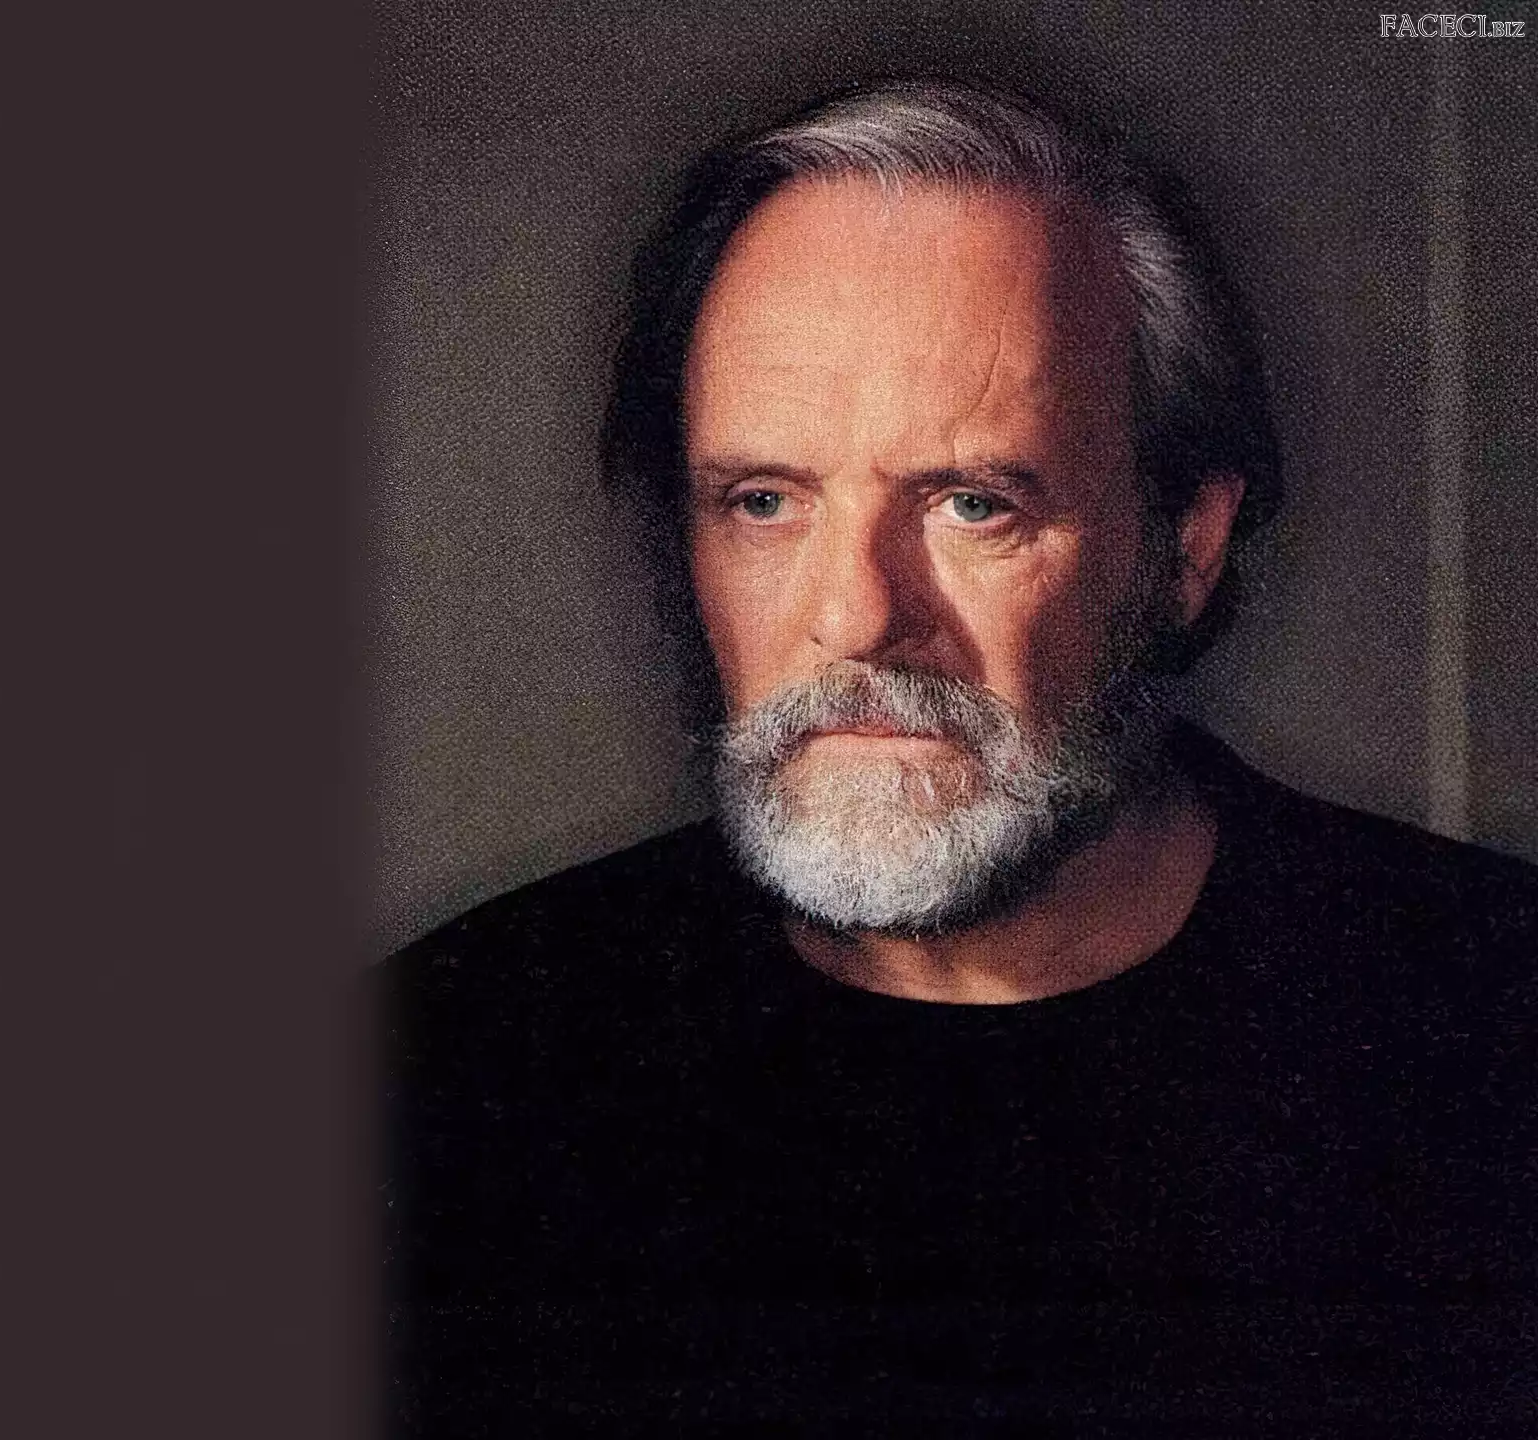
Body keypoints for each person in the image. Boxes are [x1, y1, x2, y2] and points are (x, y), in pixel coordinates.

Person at [378, 78, 1538, 1435]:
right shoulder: (447, 1074)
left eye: (972, 503)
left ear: (1187, 546)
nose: (856, 616)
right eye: (765, 501)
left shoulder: (1492, 1033)